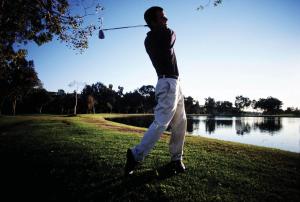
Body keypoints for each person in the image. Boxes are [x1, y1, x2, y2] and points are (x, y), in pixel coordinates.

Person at [125, 6, 187, 176]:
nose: (166, 20)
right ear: (153, 21)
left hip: (175, 82)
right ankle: (135, 155)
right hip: (167, 83)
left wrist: (157, 26)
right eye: (162, 17)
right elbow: (172, 35)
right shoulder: (157, 36)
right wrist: (160, 28)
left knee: (181, 123)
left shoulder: (157, 33)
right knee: (161, 122)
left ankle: (176, 159)